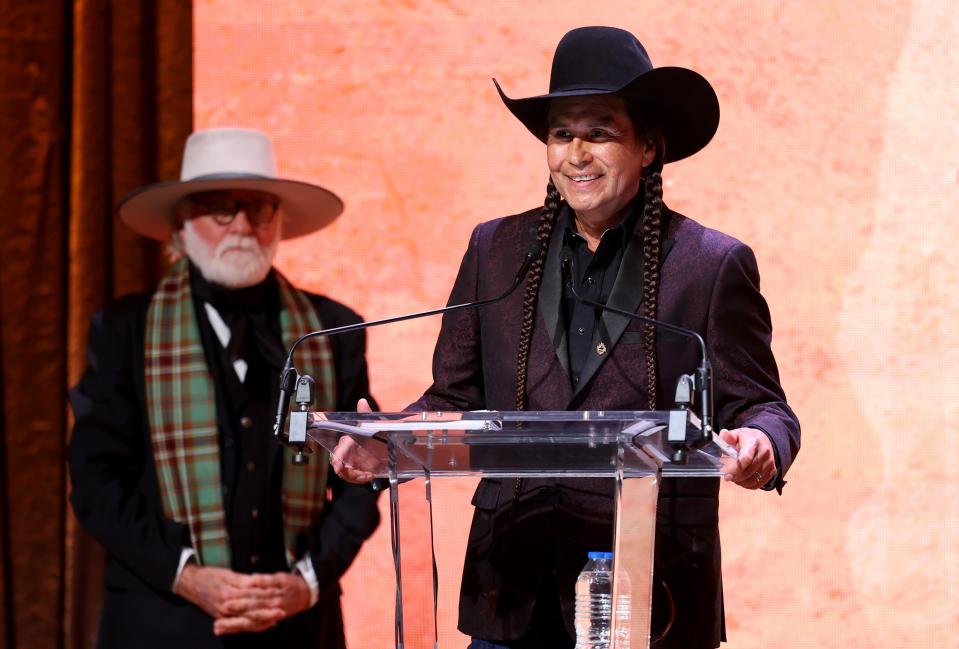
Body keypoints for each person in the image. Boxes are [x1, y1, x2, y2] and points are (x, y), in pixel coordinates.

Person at [332, 26, 801, 649]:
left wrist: (761, 442)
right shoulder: (495, 250)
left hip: (652, 593)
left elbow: (766, 407)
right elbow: (453, 400)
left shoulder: (711, 264)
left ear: (648, 148)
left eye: (600, 132)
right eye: (561, 134)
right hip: (513, 591)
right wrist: (390, 447)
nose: (576, 153)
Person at [69, 127, 381, 648]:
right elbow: (97, 481)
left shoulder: (332, 330)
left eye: (258, 209)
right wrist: (187, 576)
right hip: (163, 625)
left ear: (278, 223)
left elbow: (365, 472)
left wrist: (305, 583)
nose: (242, 226)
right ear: (180, 225)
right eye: (220, 209)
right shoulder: (124, 330)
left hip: (299, 628)